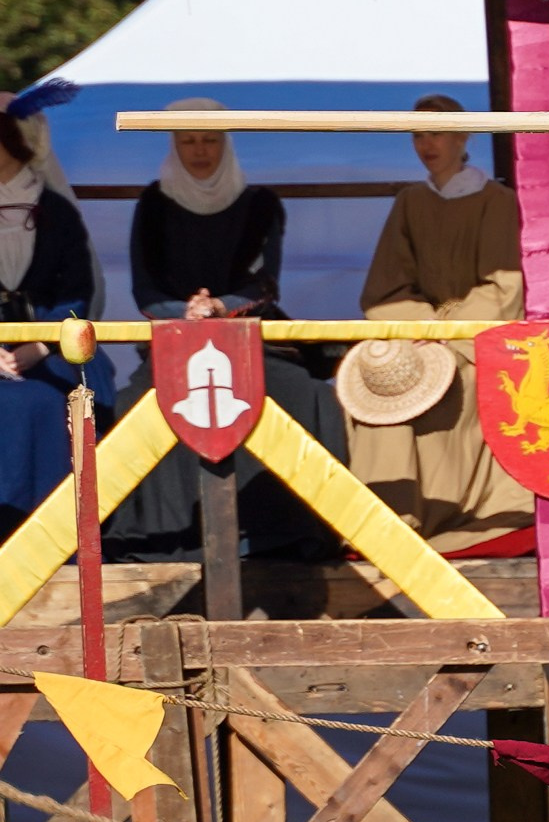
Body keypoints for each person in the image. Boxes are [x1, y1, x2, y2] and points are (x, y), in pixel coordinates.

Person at [106, 98, 349, 561]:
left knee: (302, 393)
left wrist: (220, 307)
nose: (200, 151)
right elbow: (144, 286)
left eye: (210, 140)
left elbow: (263, 281)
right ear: (175, 145)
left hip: (248, 333)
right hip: (176, 336)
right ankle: (170, 540)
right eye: (189, 140)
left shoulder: (259, 204)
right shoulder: (154, 204)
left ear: (226, 142)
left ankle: (287, 532)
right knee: (136, 402)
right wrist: (187, 312)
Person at [341, 94, 534, 550]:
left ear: (463, 137)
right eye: (419, 135)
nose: (427, 144)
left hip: (476, 339)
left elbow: (504, 288)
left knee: (456, 384)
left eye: (438, 133)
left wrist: (447, 334)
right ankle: (387, 513)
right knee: (378, 383)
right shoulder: (410, 202)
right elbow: (386, 288)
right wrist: (421, 330)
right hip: (417, 336)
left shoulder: (497, 201)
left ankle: (452, 507)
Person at [0, 84, 112, 538]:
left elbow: (79, 293)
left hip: (51, 348)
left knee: (61, 399)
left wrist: (38, 346)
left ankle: (59, 536)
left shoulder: (57, 213)